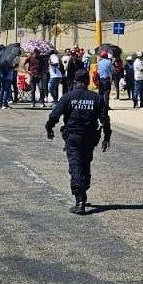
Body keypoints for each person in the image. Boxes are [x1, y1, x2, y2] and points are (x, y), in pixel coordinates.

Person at [45, 69, 111, 215]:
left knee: (76, 166)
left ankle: (80, 200)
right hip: (89, 138)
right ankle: (83, 188)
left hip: (73, 138)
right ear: (88, 81)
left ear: (75, 82)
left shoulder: (69, 96)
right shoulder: (96, 98)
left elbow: (55, 115)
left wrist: (49, 128)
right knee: (84, 164)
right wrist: (107, 137)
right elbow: (104, 119)